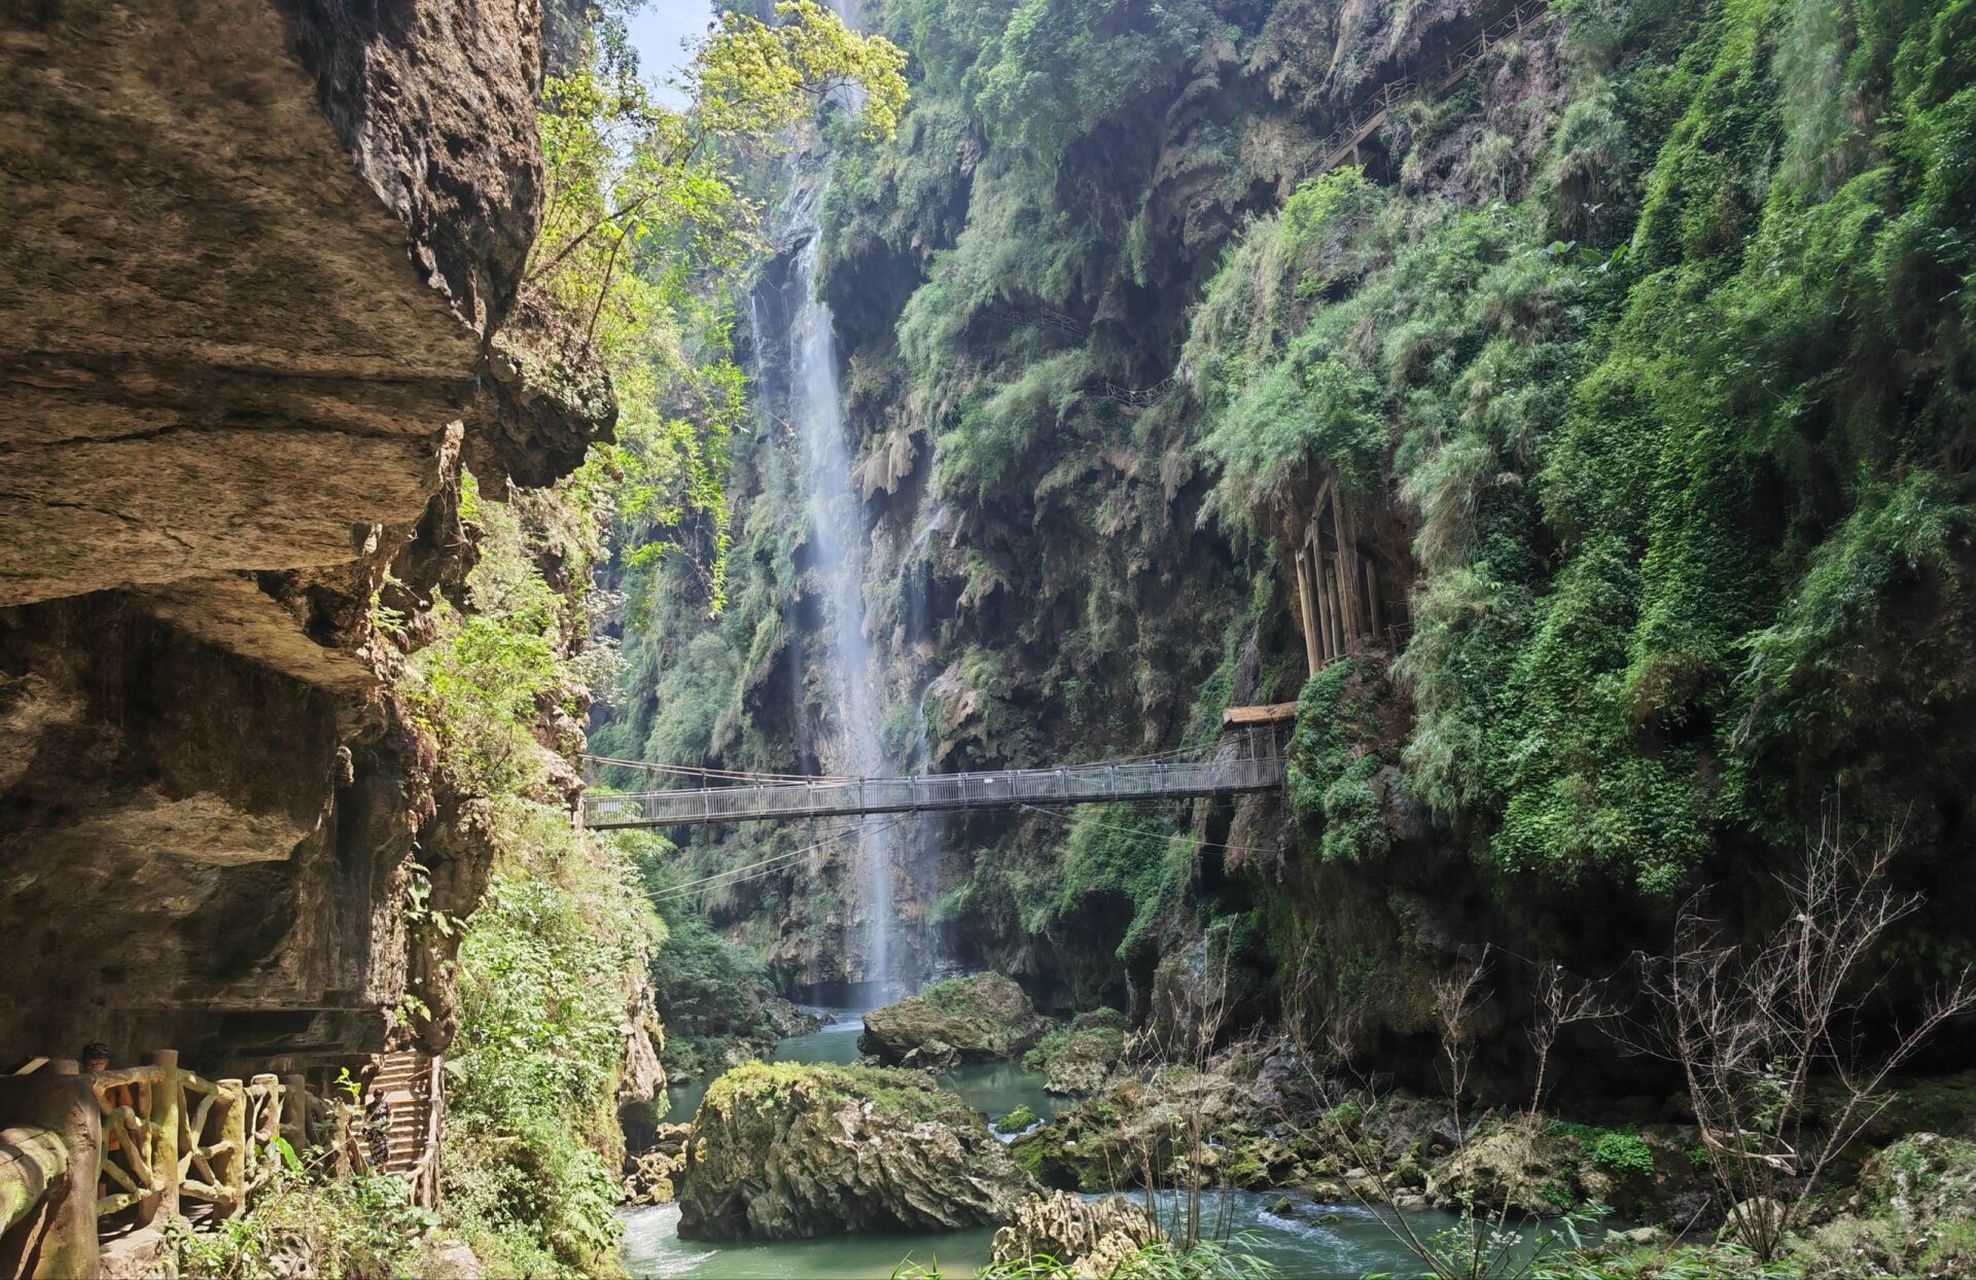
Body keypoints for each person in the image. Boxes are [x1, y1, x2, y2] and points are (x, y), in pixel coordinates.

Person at [365, 1086, 392, 1173]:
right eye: (377, 1096)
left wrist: (390, 1123)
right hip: (374, 1131)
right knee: (375, 1149)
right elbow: (366, 1118)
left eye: (380, 1096)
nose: (379, 1098)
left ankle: (383, 1168)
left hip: (383, 1130)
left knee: (385, 1147)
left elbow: (390, 1114)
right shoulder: (369, 1106)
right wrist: (368, 1123)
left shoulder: (386, 1104)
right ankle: (377, 1167)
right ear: (374, 1096)